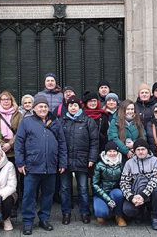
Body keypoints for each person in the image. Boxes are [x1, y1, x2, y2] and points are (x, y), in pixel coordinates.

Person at [15, 94, 68, 235]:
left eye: (45, 106)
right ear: (34, 109)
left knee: (48, 195)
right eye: (40, 106)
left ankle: (44, 218)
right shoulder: (27, 122)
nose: (43, 108)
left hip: (51, 166)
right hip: (32, 167)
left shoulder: (55, 122)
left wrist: (62, 162)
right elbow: (19, 143)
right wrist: (20, 162)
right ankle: (27, 221)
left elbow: (62, 143)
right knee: (29, 195)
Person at [60, 96, 99, 224]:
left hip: (82, 160)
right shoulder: (62, 121)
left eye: (75, 105)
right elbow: (58, 141)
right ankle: (66, 213)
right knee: (65, 188)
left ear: (79, 107)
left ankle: (85, 212)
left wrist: (92, 158)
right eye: (70, 105)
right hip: (65, 160)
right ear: (67, 107)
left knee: (83, 188)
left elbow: (94, 141)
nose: (73, 107)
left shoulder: (88, 121)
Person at [119, 139, 157, 230]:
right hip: (136, 192)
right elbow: (124, 182)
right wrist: (132, 197)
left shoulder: (155, 160)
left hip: (150, 193)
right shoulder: (129, 163)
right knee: (128, 210)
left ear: (147, 150)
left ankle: (155, 217)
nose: (141, 152)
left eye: (143, 149)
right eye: (138, 149)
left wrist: (143, 195)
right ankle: (139, 212)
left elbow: (156, 179)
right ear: (134, 151)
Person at [92, 142, 126, 226]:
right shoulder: (99, 165)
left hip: (114, 191)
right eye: (109, 151)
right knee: (101, 213)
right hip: (101, 193)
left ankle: (118, 216)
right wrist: (108, 199)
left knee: (119, 194)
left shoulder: (121, 164)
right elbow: (95, 184)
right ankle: (106, 212)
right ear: (106, 152)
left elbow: (124, 180)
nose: (112, 153)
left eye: (114, 151)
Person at [0, 90, 22, 160]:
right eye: (3, 99)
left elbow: (20, 132)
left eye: (8, 99)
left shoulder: (18, 115)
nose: (6, 101)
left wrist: (10, 144)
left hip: (15, 151)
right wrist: (2, 144)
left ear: (12, 101)